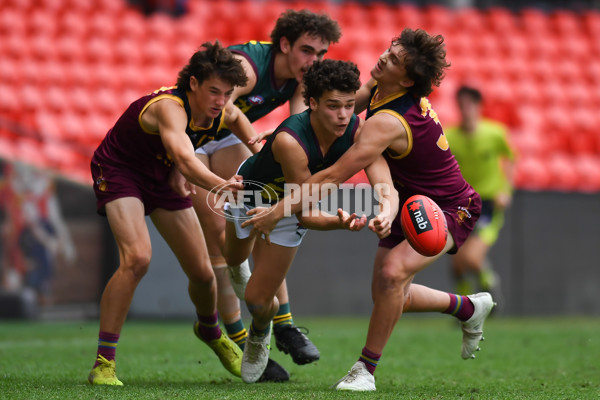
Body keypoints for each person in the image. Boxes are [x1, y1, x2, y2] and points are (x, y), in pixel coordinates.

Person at [242, 29, 496, 391]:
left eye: (393, 61)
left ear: (407, 79)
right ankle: (467, 308)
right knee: (387, 292)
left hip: (448, 207)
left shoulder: (387, 123)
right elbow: (332, 107)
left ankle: (365, 370)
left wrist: (276, 211)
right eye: (389, 51)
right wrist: (288, 133)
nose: (383, 59)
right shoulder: (380, 89)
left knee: (392, 277)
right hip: (407, 201)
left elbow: (331, 176)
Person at [87, 41, 256, 386]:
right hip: (122, 172)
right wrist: (223, 186)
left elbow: (236, 116)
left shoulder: (219, 110)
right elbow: (183, 158)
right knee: (137, 259)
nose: (220, 101)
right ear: (192, 83)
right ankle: (104, 363)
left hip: (162, 175)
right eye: (213, 91)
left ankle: (209, 330)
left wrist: (258, 146)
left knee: (204, 275)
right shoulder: (170, 107)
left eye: (226, 93)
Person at [221, 59, 397, 383]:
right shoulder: (291, 141)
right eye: (333, 106)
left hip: (290, 209)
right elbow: (304, 207)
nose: (343, 115)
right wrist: (335, 221)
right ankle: (239, 266)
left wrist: (378, 212)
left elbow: (302, 211)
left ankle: (260, 333)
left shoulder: (357, 132)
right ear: (312, 103)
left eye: (348, 105)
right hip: (251, 192)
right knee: (232, 257)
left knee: (258, 301)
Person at [189, 9, 342, 380]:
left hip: (221, 138)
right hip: (189, 139)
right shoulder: (249, 66)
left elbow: (303, 127)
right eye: (308, 50)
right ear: (284, 44)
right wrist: (258, 147)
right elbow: (223, 106)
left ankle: (283, 323)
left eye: (321, 54)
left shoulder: (299, 79)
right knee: (218, 236)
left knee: (264, 208)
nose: (314, 61)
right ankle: (240, 342)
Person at [445, 85, 515, 299]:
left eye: (470, 105)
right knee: (457, 262)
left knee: (473, 258)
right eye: (461, 105)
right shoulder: (449, 136)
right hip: (461, 203)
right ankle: (465, 306)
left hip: (487, 203)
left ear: (479, 106)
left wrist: (506, 189)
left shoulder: (495, 133)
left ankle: (490, 284)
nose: (465, 110)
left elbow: (511, 158)